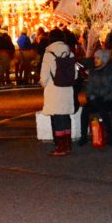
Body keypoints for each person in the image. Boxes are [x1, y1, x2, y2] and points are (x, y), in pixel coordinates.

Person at [40, 28, 76, 156]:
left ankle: (60, 147)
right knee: (65, 117)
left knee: (57, 118)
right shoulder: (70, 52)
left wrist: (43, 84)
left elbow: (44, 75)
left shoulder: (48, 53)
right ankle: (67, 144)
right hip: (67, 88)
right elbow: (75, 74)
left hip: (54, 89)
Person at [78, 48, 112, 146]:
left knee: (103, 108)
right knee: (85, 110)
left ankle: (110, 135)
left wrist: (103, 97)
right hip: (96, 99)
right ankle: (83, 136)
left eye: (97, 58)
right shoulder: (93, 72)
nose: (95, 60)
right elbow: (89, 88)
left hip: (110, 100)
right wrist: (91, 97)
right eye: (95, 58)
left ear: (104, 59)